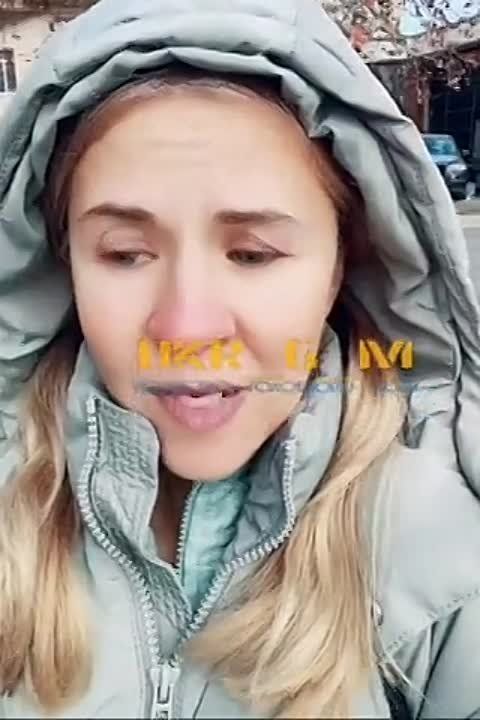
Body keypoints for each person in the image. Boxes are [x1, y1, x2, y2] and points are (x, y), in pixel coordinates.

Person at [0, 1, 480, 718]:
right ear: (63, 266)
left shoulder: (440, 554)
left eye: (252, 254)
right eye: (125, 254)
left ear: (341, 267)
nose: (187, 327)